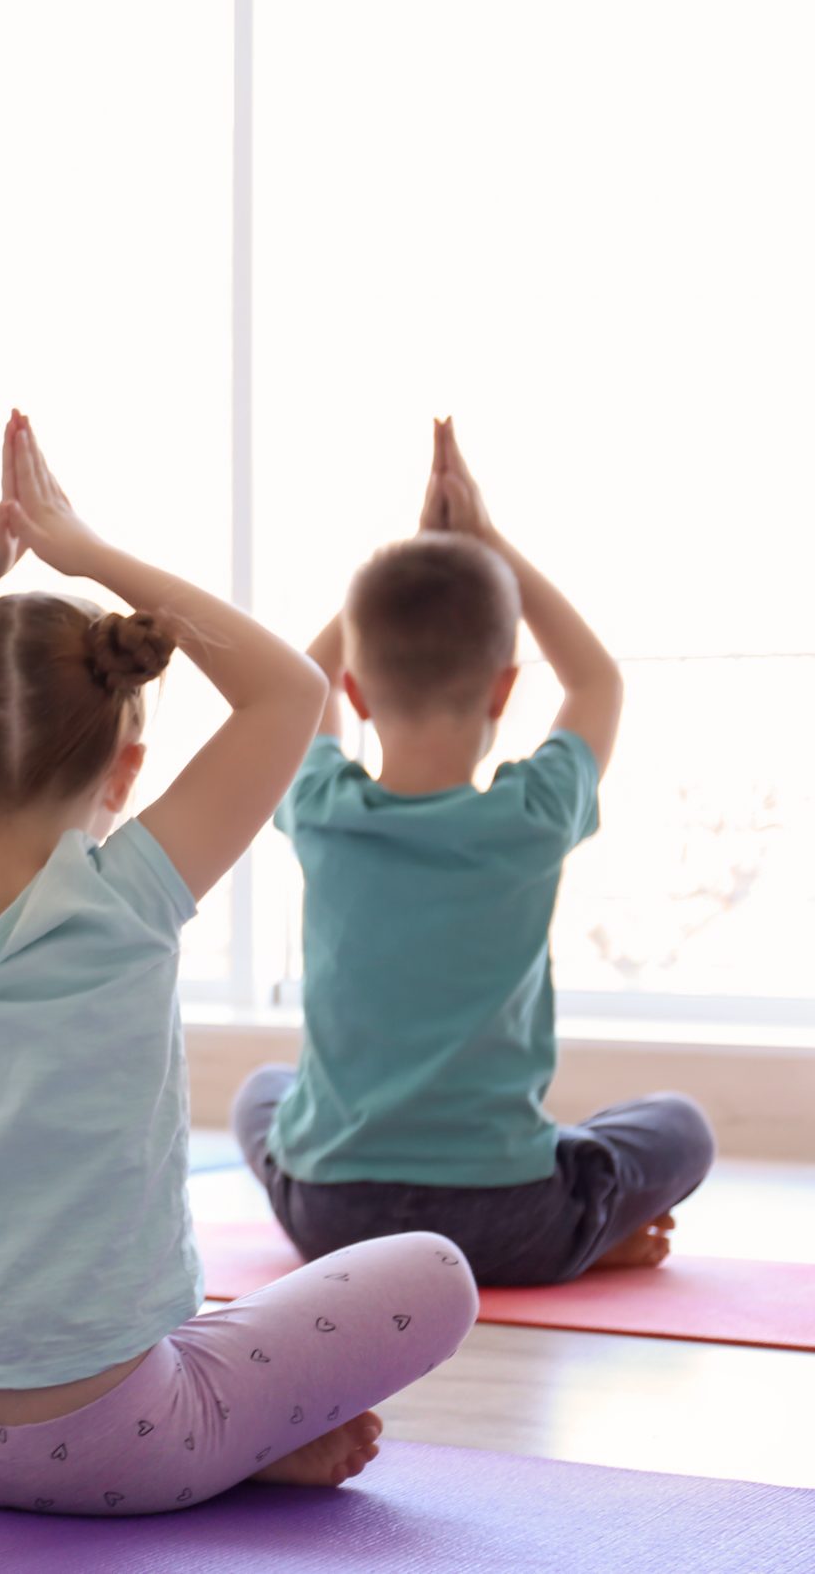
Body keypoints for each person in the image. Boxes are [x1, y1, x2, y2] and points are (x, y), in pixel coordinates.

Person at [0, 411, 477, 1516]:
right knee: (436, 1275)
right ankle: (234, 1438)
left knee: (188, 1326)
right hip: (122, 1442)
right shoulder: (125, 900)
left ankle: (233, 1427)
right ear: (126, 768)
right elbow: (289, 693)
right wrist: (85, 551)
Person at [234, 417, 713, 1286]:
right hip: (507, 1221)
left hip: (332, 1218)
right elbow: (598, 681)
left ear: (355, 691)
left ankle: (581, 1214)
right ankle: (594, 1226)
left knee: (259, 1092)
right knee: (680, 1123)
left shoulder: (319, 808)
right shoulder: (532, 814)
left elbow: (298, 686)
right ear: (505, 686)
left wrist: (399, 567)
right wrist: (486, 543)